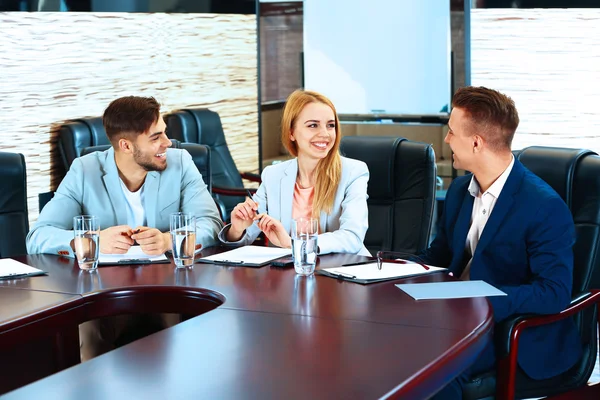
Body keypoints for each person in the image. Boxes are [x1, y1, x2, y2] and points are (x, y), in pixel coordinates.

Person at [26, 95, 223, 360]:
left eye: (164, 133)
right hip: (104, 294)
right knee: (91, 334)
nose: (167, 142)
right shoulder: (84, 170)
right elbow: (39, 235)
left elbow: (211, 223)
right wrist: (91, 240)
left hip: (166, 288)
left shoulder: (180, 163)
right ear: (126, 145)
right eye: (155, 137)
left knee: (175, 351)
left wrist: (168, 241)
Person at [423, 86, 582, 399]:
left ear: (476, 143)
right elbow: (439, 256)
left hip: (508, 331)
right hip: (451, 319)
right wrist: (389, 273)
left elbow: (554, 292)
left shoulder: (543, 206)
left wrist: (482, 300)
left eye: (451, 132)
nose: (446, 139)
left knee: (435, 373)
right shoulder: (459, 192)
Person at [219, 89, 370, 256]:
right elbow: (243, 239)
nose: (325, 134)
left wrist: (296, 245)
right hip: (290, 275)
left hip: (340, 273)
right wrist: (237, 229)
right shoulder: (273, 175)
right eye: (313, 125)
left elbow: (352, 237)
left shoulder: (353, 172)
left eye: (330, 125)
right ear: (291, 132)